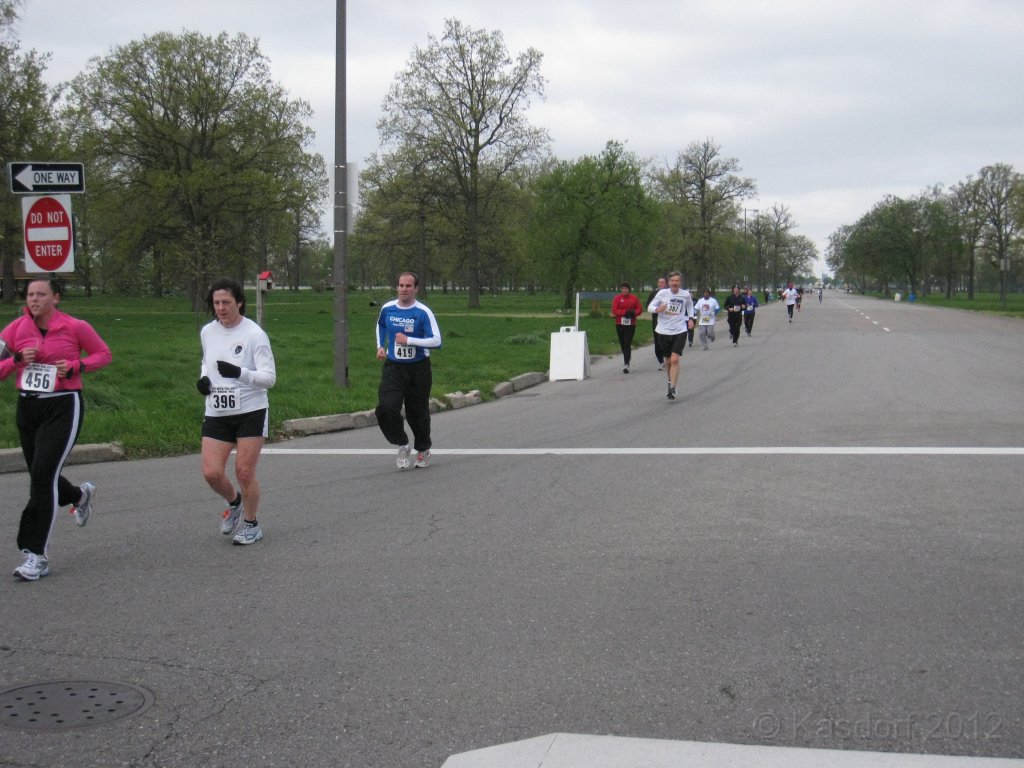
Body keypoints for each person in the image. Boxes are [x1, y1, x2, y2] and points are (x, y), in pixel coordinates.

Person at [1, 278, 112, 581]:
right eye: (30, 294)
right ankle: (79, 496)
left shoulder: (76, 327)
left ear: (56, 298)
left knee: (41, 477)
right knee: (41, 473)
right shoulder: (15, 329)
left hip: (62, 406)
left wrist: (77, 366)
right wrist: (16, 359)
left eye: (41, 294)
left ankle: (35, 554)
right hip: (28, 407)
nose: (34, 299)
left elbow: (104, 354)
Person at [197, 278, 277, 545]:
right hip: (218, 410)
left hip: (251, 411)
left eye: (226, 302)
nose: (221, 308)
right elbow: (206, 362)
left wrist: (239, 373)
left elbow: (269, 378)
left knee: (244, 472)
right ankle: (234, 502)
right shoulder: (208, 332)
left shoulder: (254, 334)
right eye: (216, 303)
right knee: (211, 473)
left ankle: (252, 524)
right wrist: (204, 378)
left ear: (239, 303)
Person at [375, 271, 442, 469]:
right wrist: (380, 346)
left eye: (408, 286)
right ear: (396, 287)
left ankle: (422, 449)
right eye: (401, 285)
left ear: (416, 289)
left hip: (418, 368)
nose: (404, 289)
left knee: (417, 412)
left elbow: (437, 341)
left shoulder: (423, 312)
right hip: (394, 367)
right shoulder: (388, 308)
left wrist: (409, 340)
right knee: (386, 408)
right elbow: (380, 326)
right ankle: (402, 444)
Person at [646, 271, 694, 401]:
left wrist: (691, 318)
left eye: (677, 281)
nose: (675, 283)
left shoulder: (685, 294)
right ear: (669, 282)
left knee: (674, 360)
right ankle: (670, 380)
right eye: (673, 281)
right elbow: (650, 307)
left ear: (680, 282)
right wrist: (657, 309)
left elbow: (690, 305)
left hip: (680, 330)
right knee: (667, 361)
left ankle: (673, 387)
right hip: (663, 331)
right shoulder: (662, 294)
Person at [611, 282, 643, 373]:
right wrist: (625, 312)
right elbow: (614, 310)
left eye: (626, 288)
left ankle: (626, 364)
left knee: (627, 343)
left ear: (629, 289)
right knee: (622, 343)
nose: (624, 290)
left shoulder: (634, 298)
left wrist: (633, 313)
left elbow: (639, 309)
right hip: (619, 323)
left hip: (631, 324)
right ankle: (627, 356)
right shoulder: (617, 298)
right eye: (623, 288)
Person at [645, 277, 667, 370]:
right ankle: (661, 361)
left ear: (666, 284)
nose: (660, 284)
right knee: (657, 342)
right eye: (659, 282)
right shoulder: (653, 294)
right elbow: (648, 307)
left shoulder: (669, 293)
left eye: (662, 282)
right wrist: (656, 309)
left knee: (666, 342)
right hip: (656, 321)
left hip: (667, 322)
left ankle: (668, 358)